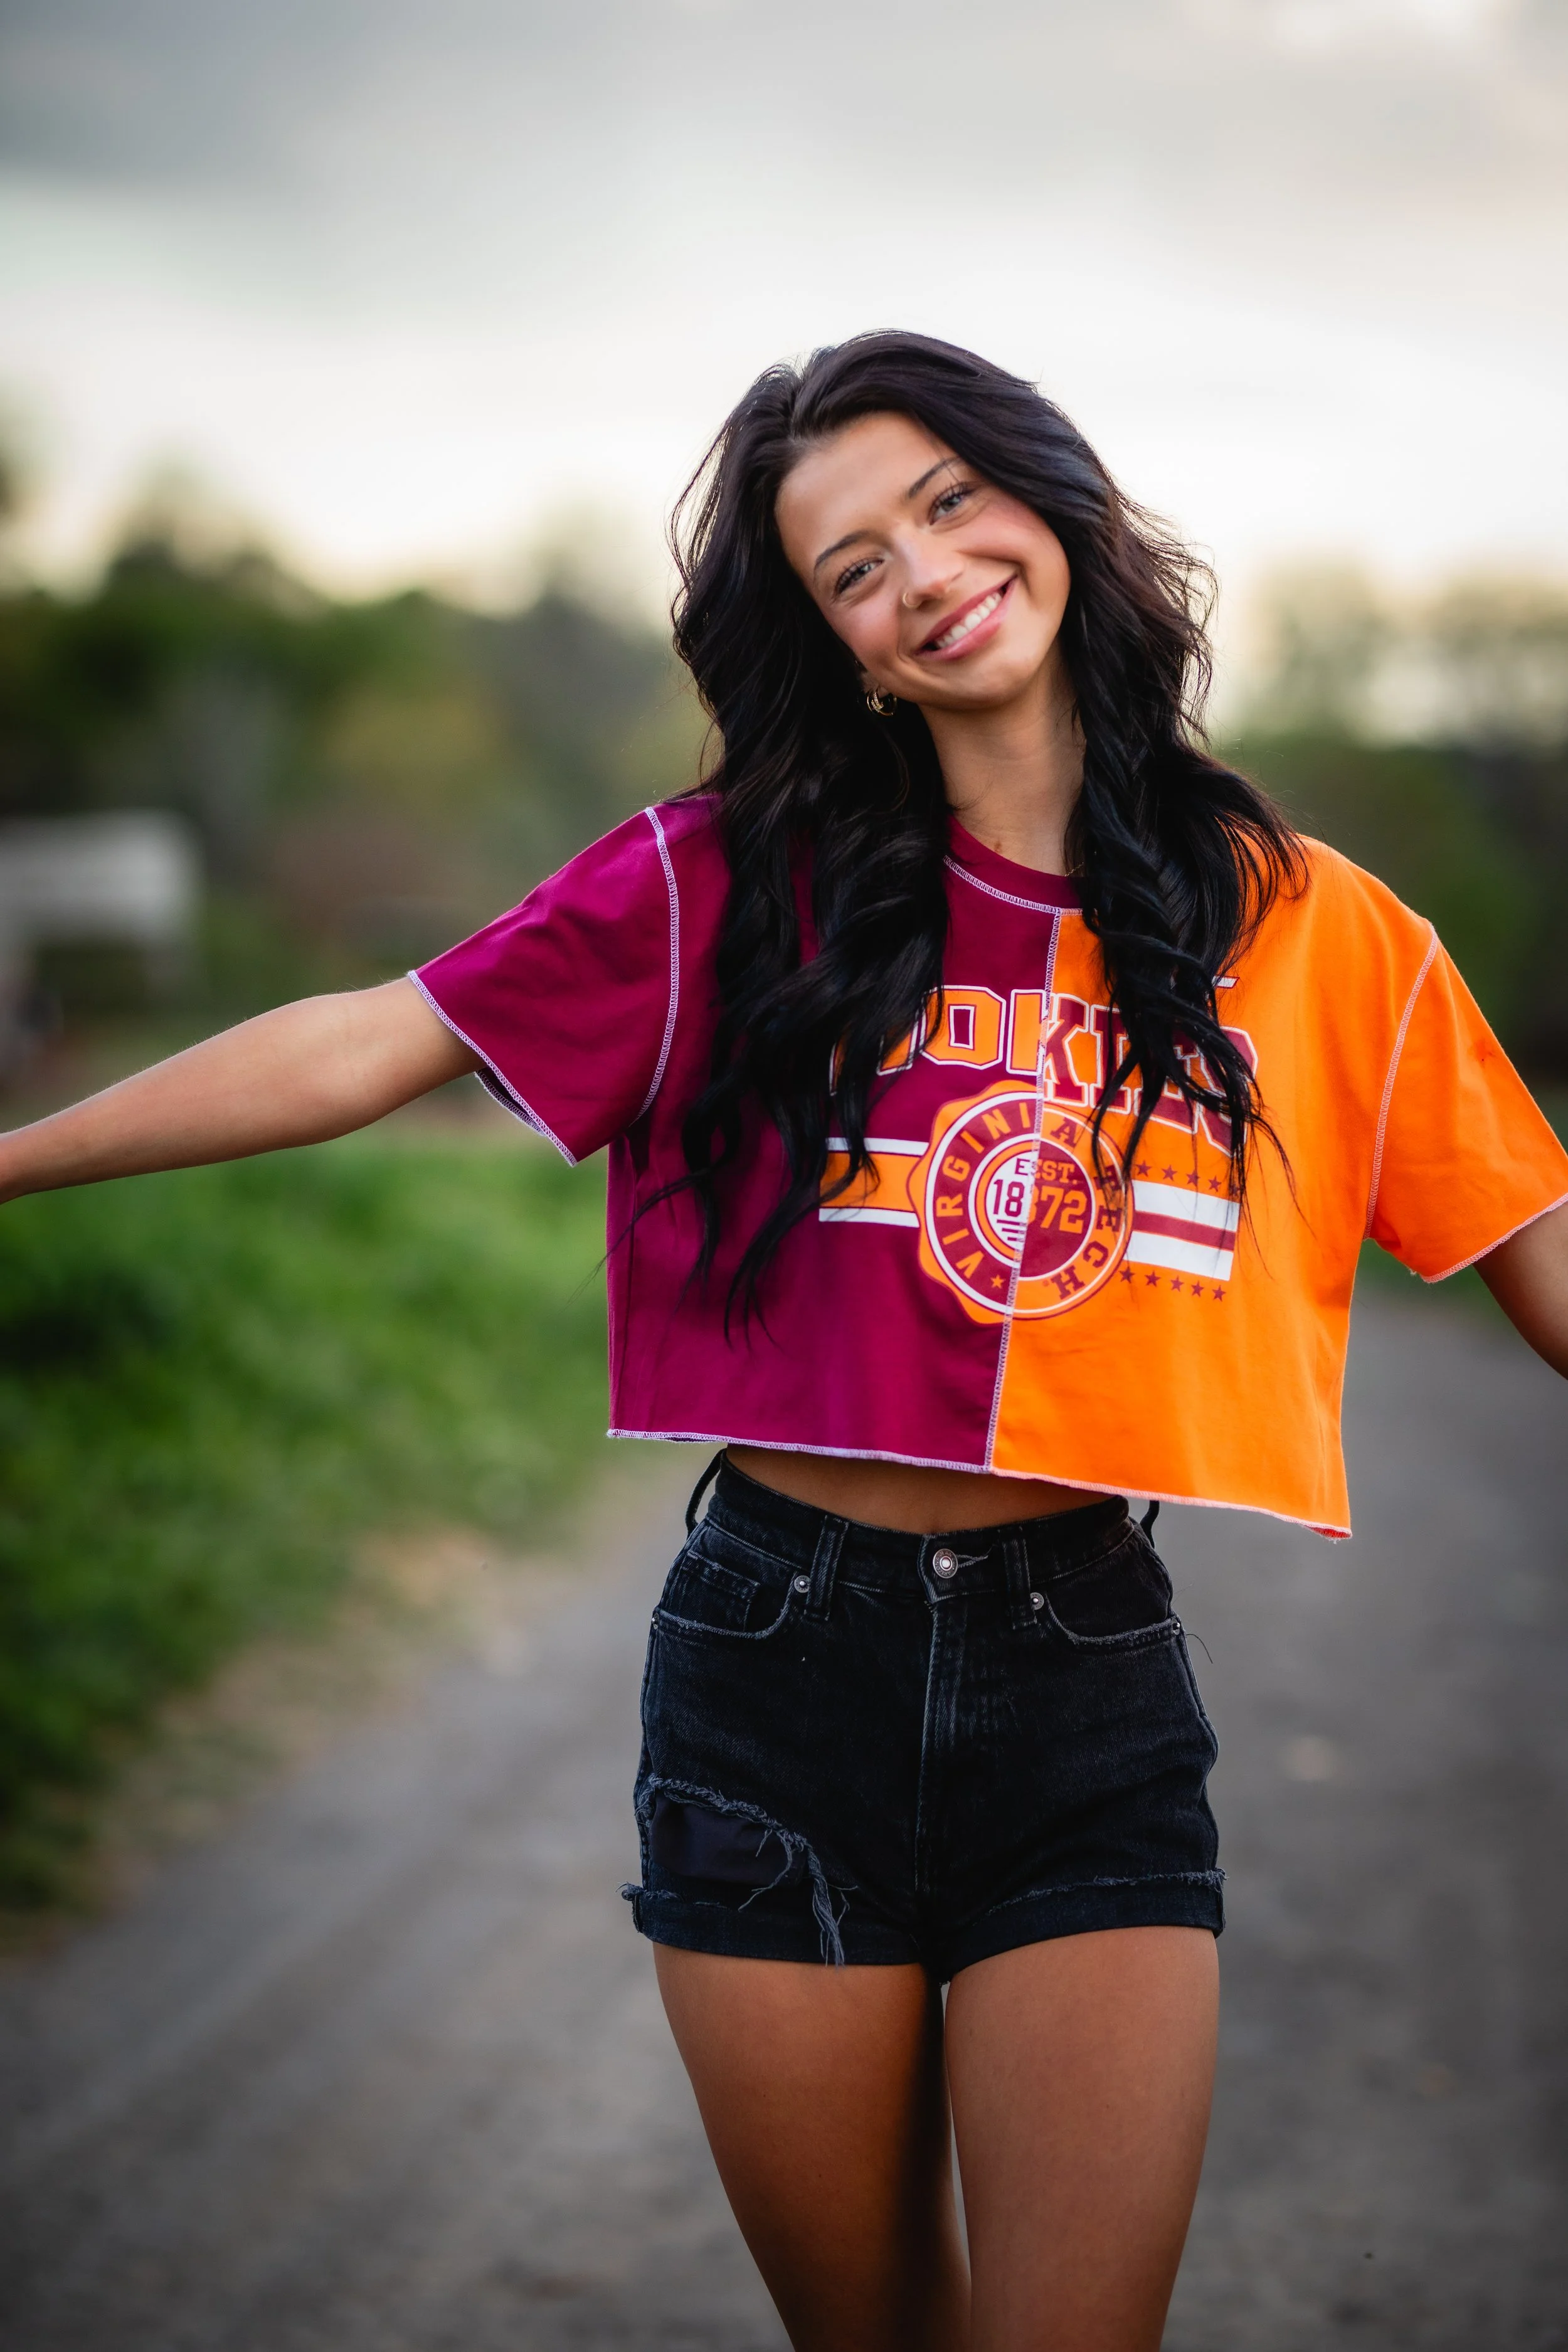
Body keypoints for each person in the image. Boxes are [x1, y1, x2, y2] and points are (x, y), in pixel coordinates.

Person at [4, 332, 1566, 2352]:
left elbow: (1535, 1244)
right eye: (850, 567)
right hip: (774, 1666)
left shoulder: (1320, 925)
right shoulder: (725, 884)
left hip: (1080, 1674)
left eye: (942, 504)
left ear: (1050, 505)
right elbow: (366, 1040)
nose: (918, 572)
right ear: (842, 646)